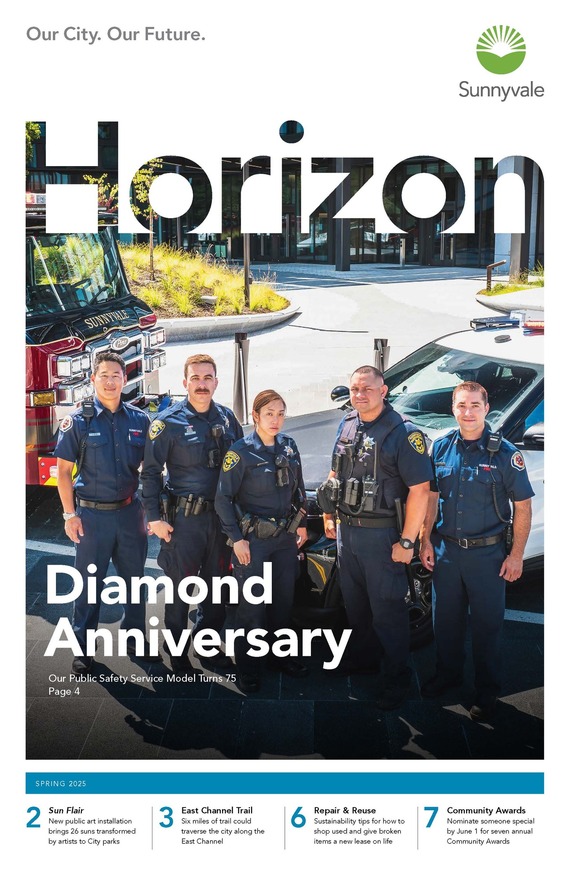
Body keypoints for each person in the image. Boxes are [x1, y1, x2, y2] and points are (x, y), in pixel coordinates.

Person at [419, 381, 534, 722]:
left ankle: (486, 692)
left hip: (488, 557)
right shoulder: (440, 448)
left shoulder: (504, 453)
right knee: (446, 623)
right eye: (461, 406)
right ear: (453, 409)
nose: (467, 412)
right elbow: (431, 498)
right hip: (446, 552)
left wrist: (516, 556)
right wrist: (425, 540)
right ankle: (448, 675)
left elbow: (523, 507)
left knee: (487, 628)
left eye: (474, 405)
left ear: (486, 409)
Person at [321, 365, 432, 710]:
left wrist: (408, 543)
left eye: (367, 389)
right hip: (348, 533)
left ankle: (396, 678)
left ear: (383, 391)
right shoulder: (348, 423)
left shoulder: (403, 433)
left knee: (388, 613)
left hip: (383, 537)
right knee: (357, 607)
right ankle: (365, 660)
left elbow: (421, 491)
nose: (359, 395)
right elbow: (334, 472)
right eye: (355, 389)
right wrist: (328, 514)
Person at [55, 352, 158, 674]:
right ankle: (83, 649)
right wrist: (69, 515)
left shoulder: (140, 420)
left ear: (124, 379)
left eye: (116, 375)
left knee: (134, 581)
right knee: (89, 585)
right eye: (104, 375)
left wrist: (154, 512)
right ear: (93, 380)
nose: (111, 381)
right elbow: (62, 473)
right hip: (91, 518)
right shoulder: (78, 421)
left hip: (130, 514)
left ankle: (136, 639)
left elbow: (151, 471)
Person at [141, 354, 243, 671]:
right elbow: (150, 474)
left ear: (216, 381)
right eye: (195, 378)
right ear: (185, 382)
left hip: (221, 520)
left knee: (216, 587)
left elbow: (243, 466)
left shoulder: (227, 419)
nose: (201, 384)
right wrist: (154, 518)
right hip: (183, 521)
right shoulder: (167, 422)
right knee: (179, 588)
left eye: (207, 377)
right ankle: (177, 650)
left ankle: (207, 646)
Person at [215, 390, 309, 693]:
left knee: (283, 603)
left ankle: (279, 657)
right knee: (251, 608)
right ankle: (248, 668)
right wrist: (237, 539)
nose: (276, 419)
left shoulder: (289, 446)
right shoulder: (240, 452)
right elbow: (223, 499)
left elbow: (300, 489)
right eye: (269, 413)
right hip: (253, 542)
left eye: (280, 413)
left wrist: (302, 525)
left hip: (284, 540)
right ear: (255, 416)